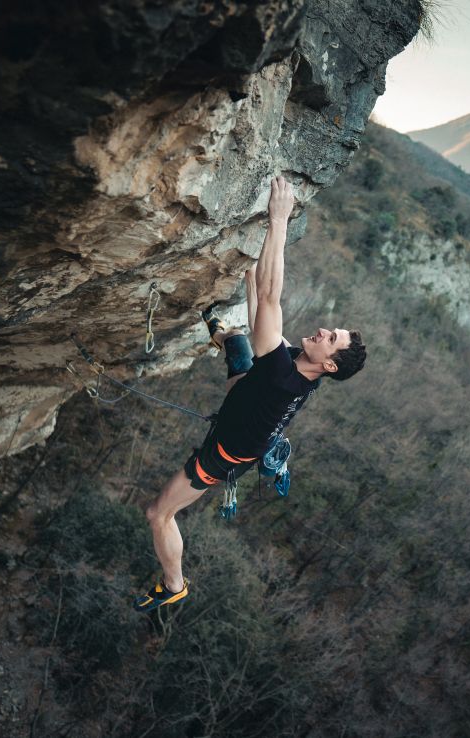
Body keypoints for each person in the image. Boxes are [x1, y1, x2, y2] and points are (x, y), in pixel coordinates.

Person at [133, 175, 367, 612]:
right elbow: (261, 307)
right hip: (248, 400)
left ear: (329, 364)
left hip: (224, 454)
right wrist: (246, 264)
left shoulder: (283, 373)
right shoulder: (296, 362)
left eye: (330, 338)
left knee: (158, 514)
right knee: (242, 346)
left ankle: (175, 584)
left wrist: (278, 219)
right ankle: (222, 335)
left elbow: (269, 296)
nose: (322, 329)